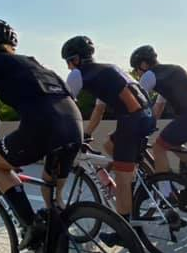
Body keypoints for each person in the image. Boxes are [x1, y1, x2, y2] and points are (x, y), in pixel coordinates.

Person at [0, 19, 83, 250]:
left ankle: (32, 226)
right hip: (74, 124)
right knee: (51, 193)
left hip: (42, 125)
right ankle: (61, 247)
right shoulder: (35, 63)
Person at [62, 36, 155, 242]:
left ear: (75, 59)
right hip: (146, 117)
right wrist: (86, 133)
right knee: (108, 145)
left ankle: (124, 232)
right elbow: (99, 110)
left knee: (121, 177)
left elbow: (66, 108)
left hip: (131, 121)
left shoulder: (78, 74)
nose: (68, 68)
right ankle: (137, 176)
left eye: (68, 62)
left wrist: (71, 134)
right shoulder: (108, 71)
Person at [129, 44, 187, 181]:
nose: (137, 73)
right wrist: (150, 125)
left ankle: (166, 191)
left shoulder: (149, 76)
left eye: (136, 69)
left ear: (144, 64)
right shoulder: (173, 71)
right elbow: (158, 107)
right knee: (173, 143)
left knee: (159, 146)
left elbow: (136, 102)